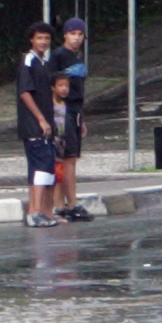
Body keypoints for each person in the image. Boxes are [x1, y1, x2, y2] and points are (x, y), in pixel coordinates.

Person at [16, 22, 60, 226]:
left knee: (42, 168)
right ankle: (35, 212)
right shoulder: (28, 61)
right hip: (33, 125)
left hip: (45, 124)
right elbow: (25, 92)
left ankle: (38, 211)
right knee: (41, 166)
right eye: (39, 38)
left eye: (47, 38)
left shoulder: (43, 63)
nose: (43, 41)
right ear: (31, 40)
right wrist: (41, 119)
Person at [54, 18, 92, 221]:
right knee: (67, 158)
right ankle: (69, 203)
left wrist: (82, 118)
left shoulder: (77, 57)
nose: (76, 37)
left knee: (70, 158)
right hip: (64, 111)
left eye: (80, 34)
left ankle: (64, 203)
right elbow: (54, 86)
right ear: (65, 35)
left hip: (76, 110)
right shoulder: (60, 56)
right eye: (73, 33)